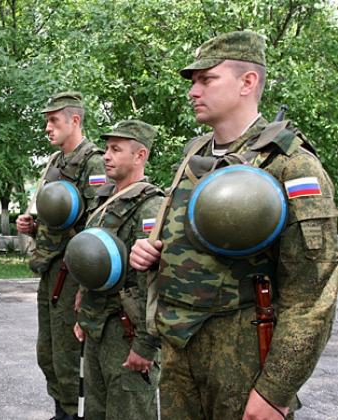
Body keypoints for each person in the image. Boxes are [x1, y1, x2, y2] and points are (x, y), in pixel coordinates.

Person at [129, 31, 338, 419]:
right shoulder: (194, 157)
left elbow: (312, 294)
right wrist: (151, 251)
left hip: (242, 358)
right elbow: (184, 238)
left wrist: (276, 390)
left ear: (247, 82)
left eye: (206, 79)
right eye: (193, 81)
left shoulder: (289, 165)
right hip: (179, 350)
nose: (193, 91)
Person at [16, 92, 106, 420]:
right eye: (47, 121)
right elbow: (57, 215)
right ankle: (60, 410)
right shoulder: (56, 164)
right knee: (48, 353)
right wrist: (33, 226)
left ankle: (72, 414)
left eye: (54, 120)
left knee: (69, 353)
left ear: (75, 120)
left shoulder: (94, 161)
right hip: (50, 269)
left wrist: (86, 282)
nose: (48, 127)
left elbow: (98, 221)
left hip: (74, 272)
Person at [73, 120, 163, 419]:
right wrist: (83, 317)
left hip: (127, 335)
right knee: (95, 412)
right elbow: (93, 266)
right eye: (107, 148)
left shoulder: (150, 206)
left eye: (116, 149)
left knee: (130, 412)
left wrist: (146, 346)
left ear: (140, 156)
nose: (106, 156)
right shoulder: (103, 201)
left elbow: (155, 283)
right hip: (98, 329)